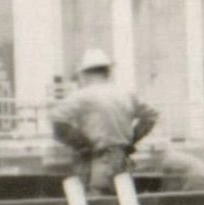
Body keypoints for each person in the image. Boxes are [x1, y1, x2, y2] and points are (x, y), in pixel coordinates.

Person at [50, 48, 158, 195]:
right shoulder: (126, 94)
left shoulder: (82, 96)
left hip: (97, 162)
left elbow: (56, 119)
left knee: (96, 203)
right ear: (107, 71)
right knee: (124, 201)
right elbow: (151, 116)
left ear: (85, 73)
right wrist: (132, 139)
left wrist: (82, 144)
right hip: (122, 161)